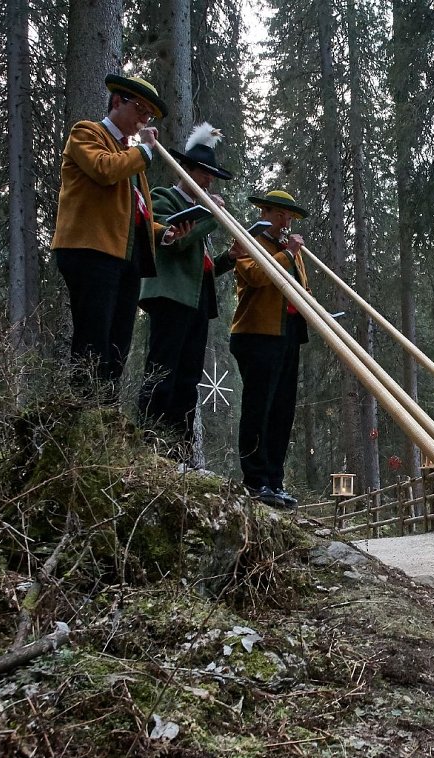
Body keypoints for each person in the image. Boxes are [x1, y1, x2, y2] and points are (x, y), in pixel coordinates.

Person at [51, 73, 191, 399]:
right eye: (141, 111)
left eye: (149, 116)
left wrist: (164, 233)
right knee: (92, 339)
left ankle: (107, 422)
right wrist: (143, 150)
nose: (144, 120)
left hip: (124, 258)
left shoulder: (130, 156)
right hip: (89, 251)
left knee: (118, 345)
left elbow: (135, 215)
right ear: (117, 101)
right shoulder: (87, 133)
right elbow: (104, 169)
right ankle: (83, 417)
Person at [138, 123, 239, 461]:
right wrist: (211, 215)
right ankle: (149, 445)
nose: (209, 180)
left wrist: (229, 258)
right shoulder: (164, 199)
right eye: (203, 173)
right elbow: (175, 243)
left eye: (211, 175)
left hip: (197, 301)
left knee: (188, 379)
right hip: (169, 297)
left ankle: (179, 453)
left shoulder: (200, 211)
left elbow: (202, 264)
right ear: (187, 170)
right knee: (162, 371)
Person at [230, 190, 311, 508]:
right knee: (258, 408)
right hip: (257, 334)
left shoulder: (288, 247)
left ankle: (275, 481)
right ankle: (254, 480)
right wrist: (288, 254)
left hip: (288, 334)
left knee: (282, 411)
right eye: (282, 215)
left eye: (289, 217)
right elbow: (255, 275)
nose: (287, 222)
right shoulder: (247, 239)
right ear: (265, 211)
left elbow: (301, 286)